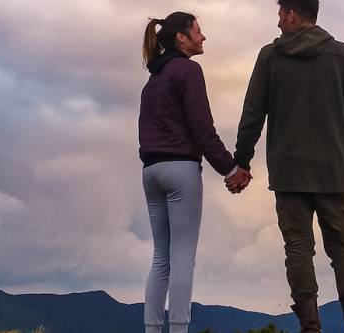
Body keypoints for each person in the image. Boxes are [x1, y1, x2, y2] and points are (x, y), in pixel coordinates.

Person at [227, 0, 344, 332]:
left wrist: (241, 162)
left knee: (298, 249)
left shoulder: (270, 56)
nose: (277, 22)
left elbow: (252, 114)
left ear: (291, 14)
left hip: (289, 171)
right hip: (334, 170)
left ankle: (310, 327)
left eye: (279, 14)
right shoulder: (343, 55)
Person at [138, 11, 254, 333]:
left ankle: (151, 329)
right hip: (180, 170)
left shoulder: (153, 80)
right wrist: (231, 168)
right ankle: (178, 329)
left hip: (151, 171)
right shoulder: (188, 70)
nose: (203, 37)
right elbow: (202, 129)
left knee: (161, 257)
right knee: (183, 256)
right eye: (198, 32)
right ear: (181, 37)